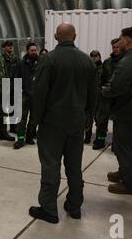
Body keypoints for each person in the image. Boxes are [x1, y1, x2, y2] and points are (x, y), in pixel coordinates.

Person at [29, 23, 97, 224]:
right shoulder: (88, 61)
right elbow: (94, 96)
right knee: (74, 166)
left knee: (51, 164)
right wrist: (88, 120)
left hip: (52, 123)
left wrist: (35, 120)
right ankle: (75, 206)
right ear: (74, 36)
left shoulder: (48, 60)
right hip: (77, 122)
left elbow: (39, 93)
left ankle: (49, 209)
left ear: (56, 36)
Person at [102, 27, 132, 195]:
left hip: (126, 110)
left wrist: (102, 91)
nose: (119, 41)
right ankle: (123, 172)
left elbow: (116, 87)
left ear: (128, 41)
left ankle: (130, 185)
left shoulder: (128, 61)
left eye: (121, 39)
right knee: (122, 144)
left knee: (124, 147)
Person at [92, 39, 123, 150]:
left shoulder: (126, 62)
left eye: (117, 47)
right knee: (101, 120)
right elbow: (102, 79)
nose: (115, 49)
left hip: (120, 97)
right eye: (114, 47)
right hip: (106, 96)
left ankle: (117, 144)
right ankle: (100, 141)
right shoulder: (107, 62)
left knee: (119, 122)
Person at [13, 42, 39, 149]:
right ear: (27, 51)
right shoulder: (21, 64)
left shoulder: (41, 62)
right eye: (32, 50)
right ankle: (20, 139)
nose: (34, 52)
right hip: (24, 94)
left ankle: (29, 136)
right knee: (22, 118)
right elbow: (15, 79)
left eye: (35, 50)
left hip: (36, 96)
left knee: (34, 118)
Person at [84, 50, 103, 144]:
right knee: (88, 119)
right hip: (89, 97)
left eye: (96, 56)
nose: (94, 58)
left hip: (100, 97)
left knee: (99, 119)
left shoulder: (104, 68)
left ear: (99, 57)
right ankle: (87, 137)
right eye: (92, 56)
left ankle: (99, 139)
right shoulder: (88, 68)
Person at [1, 40, 19, 134]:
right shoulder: (1, 58)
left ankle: (13, 126)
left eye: (11, 45)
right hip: (5, 85)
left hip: (14, 85)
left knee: (13, 107)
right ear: (5, 47)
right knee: (3, 109)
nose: (10, 47)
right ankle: (2, 128)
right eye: (8, 46)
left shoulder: (16, 58)